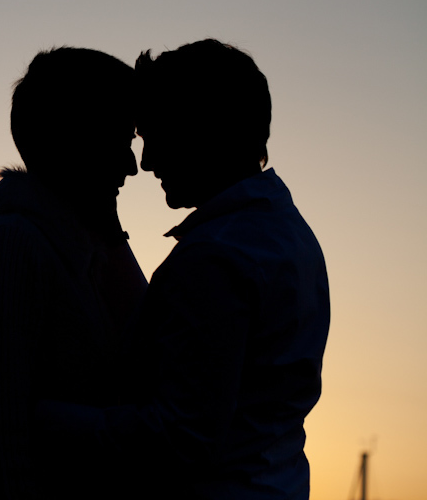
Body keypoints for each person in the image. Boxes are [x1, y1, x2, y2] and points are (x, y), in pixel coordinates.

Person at [39, 39, 330, 499]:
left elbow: (180, 435)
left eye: (156, 133)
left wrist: (38, 418)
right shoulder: (287, 233)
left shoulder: (217, 255)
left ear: (203, 130)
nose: (147, 162)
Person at [0, 47, 147, 499]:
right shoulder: (13, 247)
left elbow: (148, 358)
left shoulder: (81, 257)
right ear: (78, 139)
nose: (133, 166)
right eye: (121, 139)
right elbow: (1, 446)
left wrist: (109, 231)